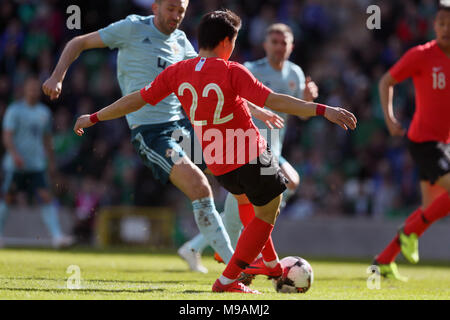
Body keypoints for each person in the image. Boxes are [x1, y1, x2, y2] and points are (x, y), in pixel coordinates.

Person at [73, 9, 357, 293]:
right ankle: (229, 279)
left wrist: (94, 117)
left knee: (247, 203)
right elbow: (277, 101)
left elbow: (136, 100)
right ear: (225, 42)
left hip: (220, 165)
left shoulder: (177, 72)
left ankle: (269, 265)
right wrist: (323, 110)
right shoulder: (232, 70)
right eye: (234, 40)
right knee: (270, 208)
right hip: (250, 152)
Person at [41, 0, 278, 270]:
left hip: (185, 127)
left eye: (181, 11)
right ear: (156, 7)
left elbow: (218, 82)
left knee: (242, 180)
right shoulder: (130, 28)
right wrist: (57, 77)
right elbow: (78, 42)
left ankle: (205, 250)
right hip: (152, 132)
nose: (176, 16)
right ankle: (236, 267)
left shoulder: (182, 43)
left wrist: (257, 111)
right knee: (200, 188)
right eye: (171, 8)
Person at [179, 23, 319, 279]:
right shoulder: (251, 69)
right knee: (247, 207)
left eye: (283, 42)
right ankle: (238, 255)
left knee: (281, 189)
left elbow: (301, 112)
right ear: (265, 45)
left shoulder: (295, 73)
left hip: (272, 147)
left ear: (291, 46)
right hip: (245, 149)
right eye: (274, 42)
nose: (279, 47)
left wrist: (309, 100)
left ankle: (214, 249)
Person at [374, 3, 450, 281]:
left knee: (429, 211)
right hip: (423, 142)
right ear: (434, 26)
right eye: (441, 22)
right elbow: (386, 82)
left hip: (444, 144)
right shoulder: (421, 55)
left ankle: (383, 261)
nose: (446, 28)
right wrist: (390, 118)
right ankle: (407, 233)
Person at [0, 76, 73, 248]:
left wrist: (51, 160)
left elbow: (47, 139)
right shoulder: (14, 110)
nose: (33, 91)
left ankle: (57, 237)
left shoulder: (44, 112)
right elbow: (7, 136)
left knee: (46, 197)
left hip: (36, 164)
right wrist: (14, 154)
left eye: (35, 89)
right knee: (8, 198)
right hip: (16, 165)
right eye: (30, 88)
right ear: (24, 90)